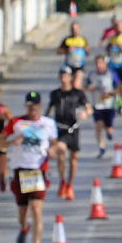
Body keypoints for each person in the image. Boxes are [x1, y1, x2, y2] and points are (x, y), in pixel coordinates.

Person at [4, 91, 60, 243]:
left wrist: (53, 150)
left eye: (35, 105)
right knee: (22, 213)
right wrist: (12, 141)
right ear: (25, 106)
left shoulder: (48, 123)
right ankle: (24, 228)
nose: (32, 108)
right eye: (29, 105)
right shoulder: (16, 122)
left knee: (36, 209)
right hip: (20, 171)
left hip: (38, 171)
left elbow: (55, 143)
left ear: (40, 106)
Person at [46, 68, 90, 200]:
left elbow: (88, 108)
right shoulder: (55, 94)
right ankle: (62, 181)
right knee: (60, 154)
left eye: (66, 75)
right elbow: (48, 110)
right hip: (59, 128)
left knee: (73, 159)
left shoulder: (78, 93)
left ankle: (69, 184)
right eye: (61, 75)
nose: (63, 78)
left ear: (71, 77)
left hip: (73, 128)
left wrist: (85, 113)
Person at [87, 55, 120, 158]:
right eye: (97, 63)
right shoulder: (92, 75)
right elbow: (85, 86)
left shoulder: (111, 74)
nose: (98, 65)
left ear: (105, 64)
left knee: (108, 127)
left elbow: (118, 88)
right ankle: (101, 147)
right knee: (98, 126)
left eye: (100, 63)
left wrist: (109, 94)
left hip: (109, 104)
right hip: (97, 105)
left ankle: (109, 132)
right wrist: (89, 88)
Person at [100, 19, 122, 105]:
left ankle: (120, 102)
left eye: (120, 27)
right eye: (117, 27)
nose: (118, 29)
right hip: (112, 65)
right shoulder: (112, 38)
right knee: (114, 84)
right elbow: (107, 50)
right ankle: (114, 100)